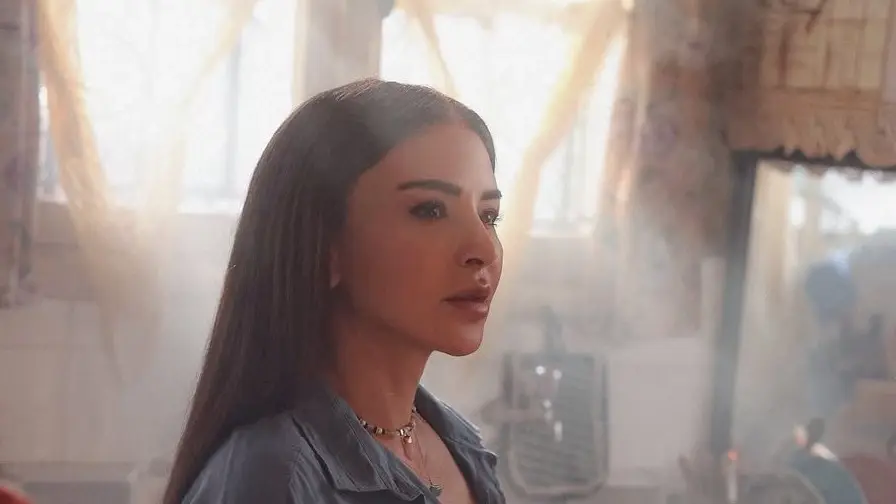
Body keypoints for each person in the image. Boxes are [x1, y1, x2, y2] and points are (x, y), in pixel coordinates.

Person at [162, 79, 505, 504]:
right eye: (431, 210)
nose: (483, 249)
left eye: (489, 215)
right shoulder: (272, 477)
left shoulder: (462, 445)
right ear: (324, 246)